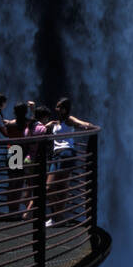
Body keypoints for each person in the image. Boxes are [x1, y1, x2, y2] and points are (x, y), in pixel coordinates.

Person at [45, 97, 97, 227]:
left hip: (66, 154)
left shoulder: (69, 119)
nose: (56, 109)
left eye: (59, 107)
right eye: (56, 106)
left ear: (65, 109)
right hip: (57, 155)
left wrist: (87, 126)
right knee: (59, 188)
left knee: (50, 188)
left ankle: (58, 217)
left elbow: (81, 123)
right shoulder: (56, 122)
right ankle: (58, 218)